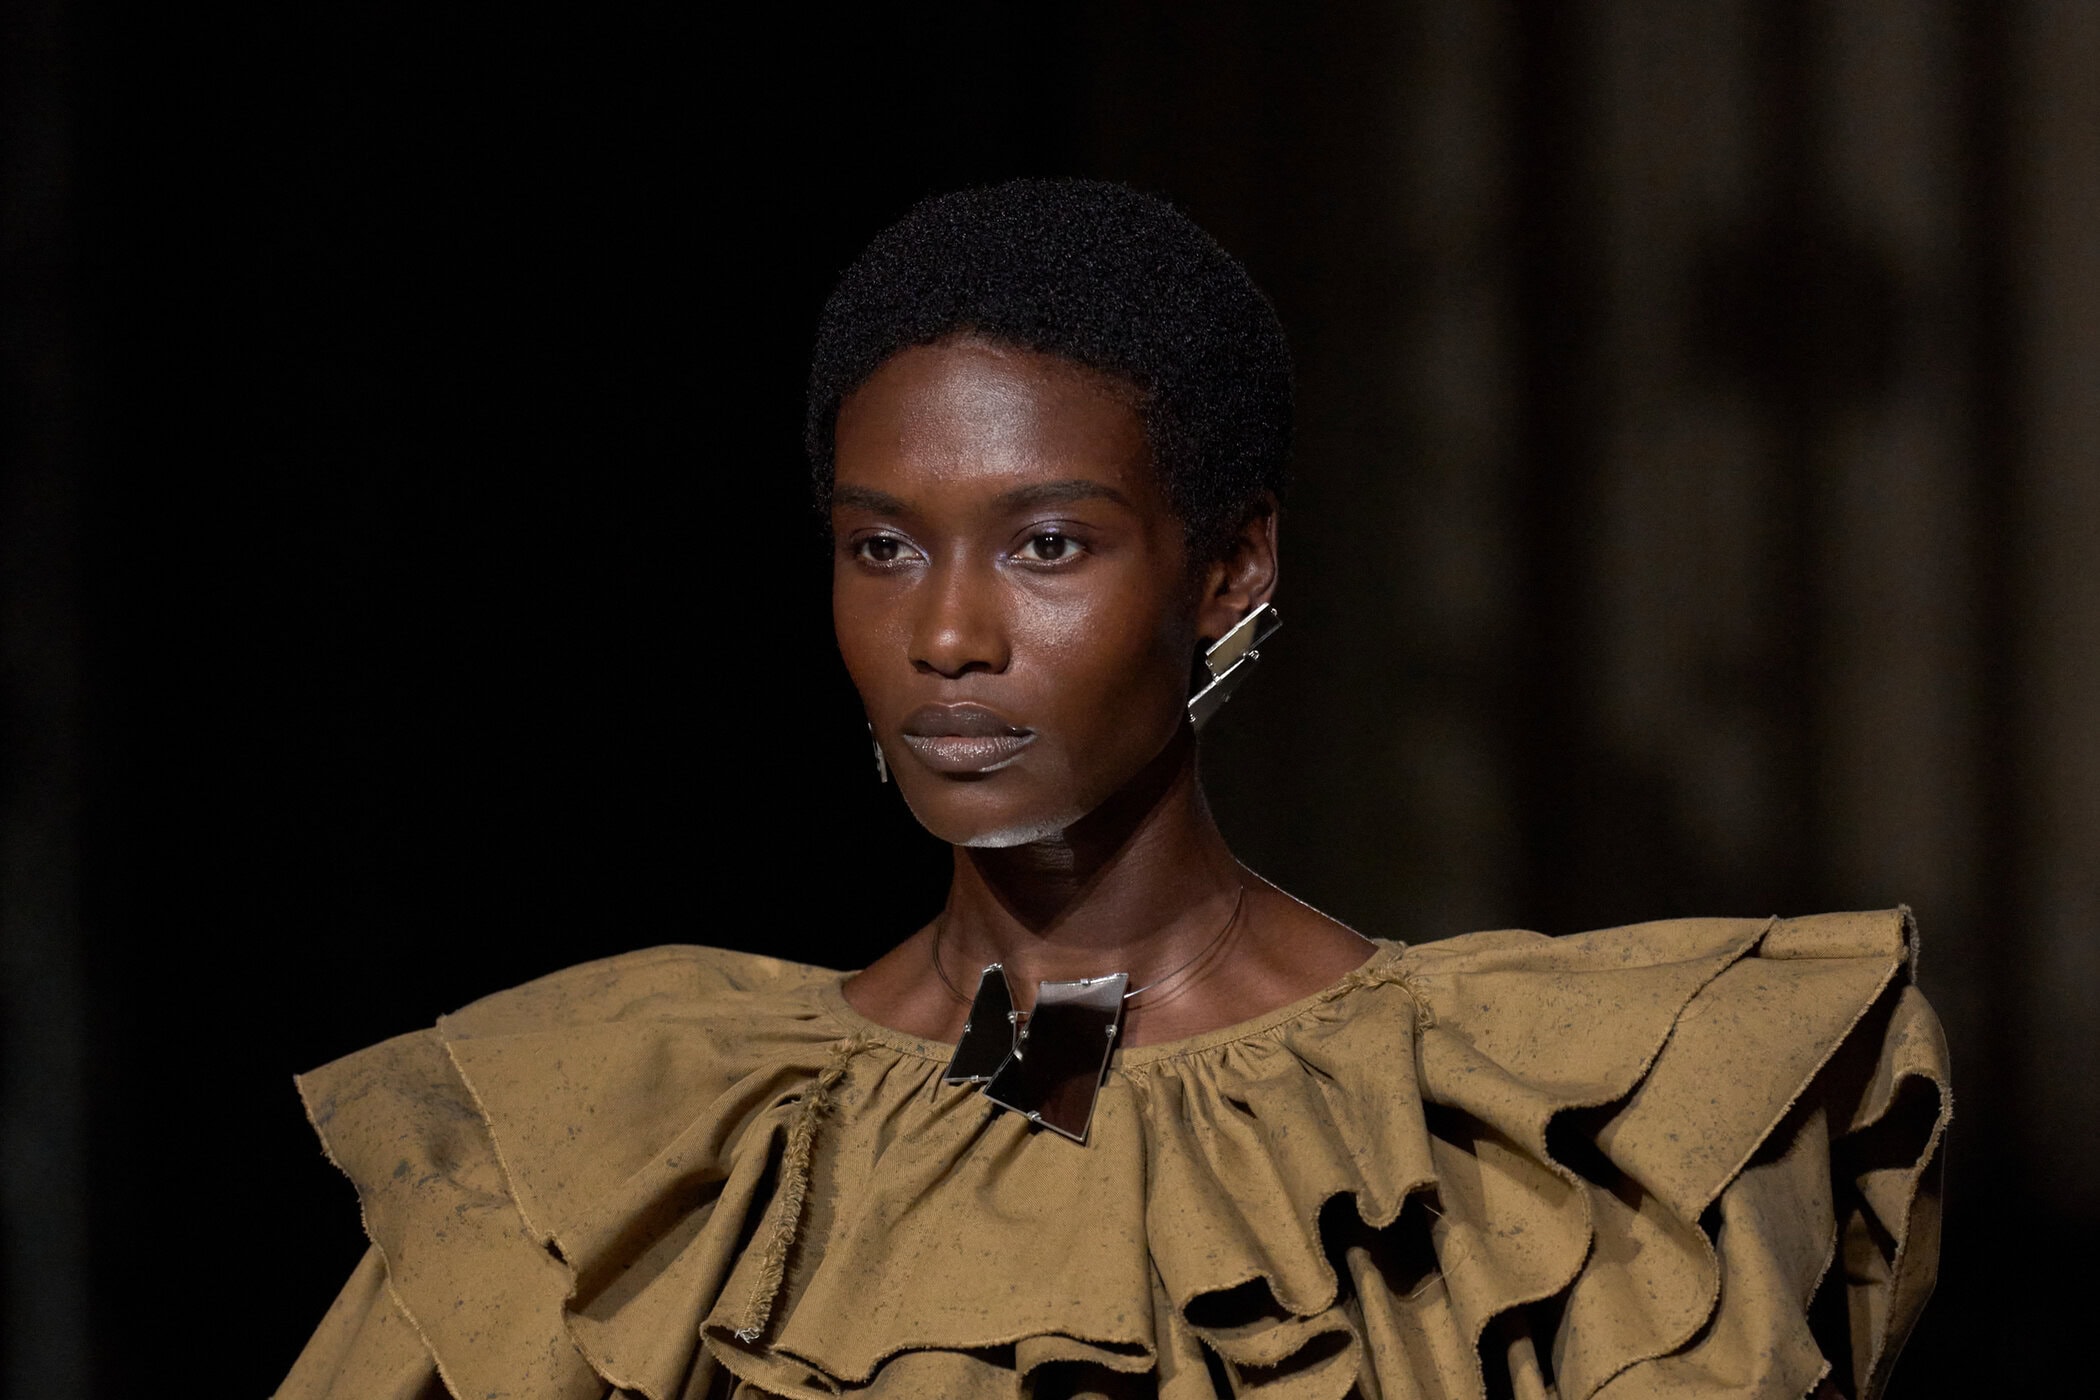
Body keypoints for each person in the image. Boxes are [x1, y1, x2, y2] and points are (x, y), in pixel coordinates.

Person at [278, 179, 1948, 1400]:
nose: (947, 635)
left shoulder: (1526, 1155)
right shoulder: (647, 1157)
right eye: (882, 548)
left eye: (1049, 545)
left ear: (1229, 568)